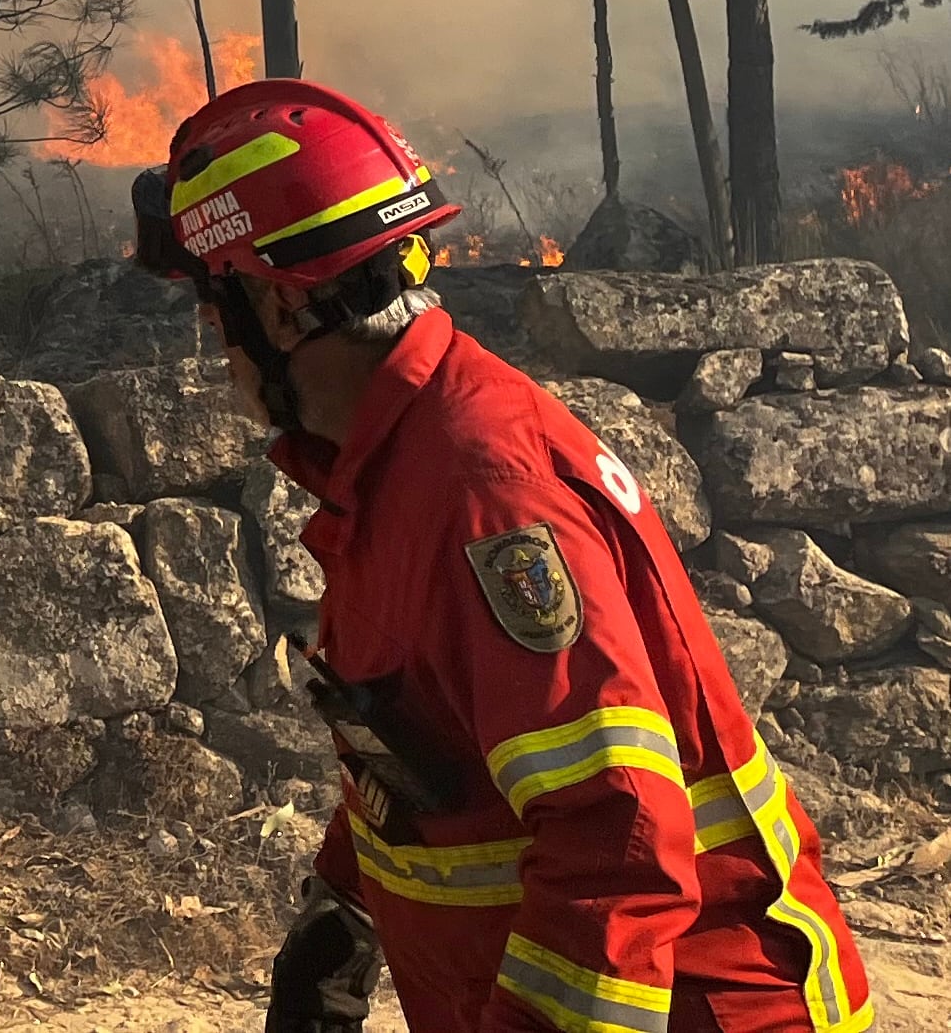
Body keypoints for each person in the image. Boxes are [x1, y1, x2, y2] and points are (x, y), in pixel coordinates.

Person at [135, 79, 871, 1033]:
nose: (214, 351)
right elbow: (427, 740)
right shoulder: (392, 467)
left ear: (277, 311)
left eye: (213, 315)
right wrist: (346, 910)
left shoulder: (484, 495)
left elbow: (617, 841)